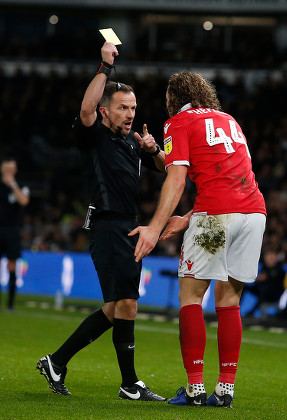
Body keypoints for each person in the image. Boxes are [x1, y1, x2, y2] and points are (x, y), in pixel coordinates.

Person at [36, 41, 166, 402]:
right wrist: (105, 67)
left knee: (115, 308)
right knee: (127, 304)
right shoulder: (94, 136)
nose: (129, 113)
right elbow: (86, 107)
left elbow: (166, 169)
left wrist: (153, 148)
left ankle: (57, 361)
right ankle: (130, 384)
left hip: (129, 225)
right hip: (109, 225)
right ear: (106, 112)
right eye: (122, 107)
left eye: (133, 107)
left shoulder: (132, 142)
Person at [129, 70, 266, 408]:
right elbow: (228, 178)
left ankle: (194, 389)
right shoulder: (228, 120)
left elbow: (177, 181)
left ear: (172, 99)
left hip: (216, 217)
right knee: (229, 300)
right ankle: (225, 390)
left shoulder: (178, 122)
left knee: (191, 297)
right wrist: (189, 217)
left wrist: (154, 225)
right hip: (253, 213)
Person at [0, 157, 30, 310]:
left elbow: (24, 201)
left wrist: (12, 184)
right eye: (7, 169)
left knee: (12, 265)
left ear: (15, 170)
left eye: (11, 169)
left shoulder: (21, 186)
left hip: (12, 231)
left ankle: (10, 304)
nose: (9, 172)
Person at [243, 250, 285, 317]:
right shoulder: (263, 267)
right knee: (245, 287)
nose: (270, 259)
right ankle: (236, 307)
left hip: (275, 294)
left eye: (272, 257)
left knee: (266, 290)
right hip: (262, 291)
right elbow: (258, 282)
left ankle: (252, 312)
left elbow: (277, 284)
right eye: (268, 256)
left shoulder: (280, 268)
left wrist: (267, 278)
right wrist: (258, 280)